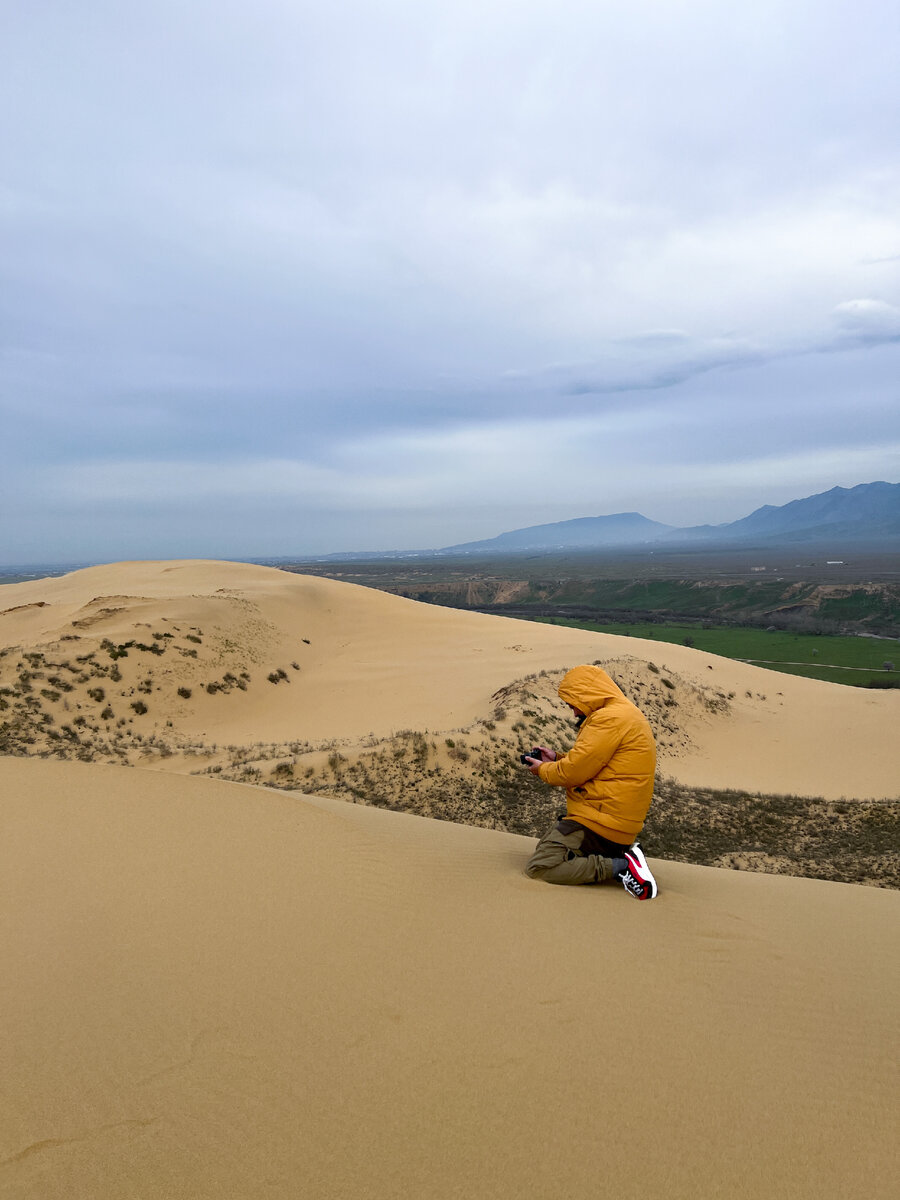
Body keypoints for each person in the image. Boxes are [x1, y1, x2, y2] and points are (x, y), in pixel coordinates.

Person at [522, 663, 659, 899]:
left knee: (540, 867)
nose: (574, 712)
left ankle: (622, 867)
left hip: (601, 824)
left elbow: (573, 773)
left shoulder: (609, 719)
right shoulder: (625, 713)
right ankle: (620, 857)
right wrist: (557, 758)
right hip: (613, 821)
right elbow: (593, 763)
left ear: (587, 695)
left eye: (573, 704)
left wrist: (543, 769)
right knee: (548, 844)